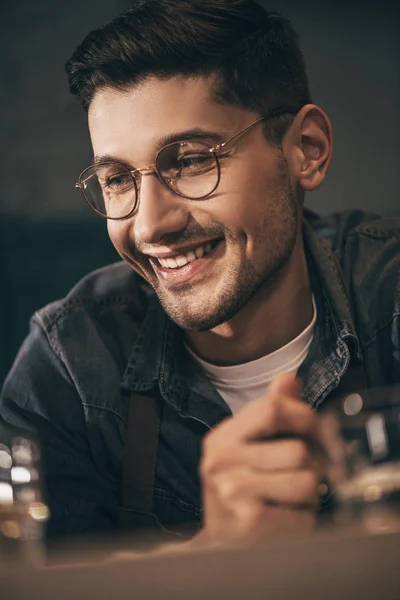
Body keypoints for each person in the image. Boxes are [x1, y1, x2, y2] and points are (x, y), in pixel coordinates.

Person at [1, 0, 399, 549]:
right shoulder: (69, 364)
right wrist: (211, 560)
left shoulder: (391, 292)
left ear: (306, 150)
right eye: (116, 179)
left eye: (189, 160)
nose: (150, 225)